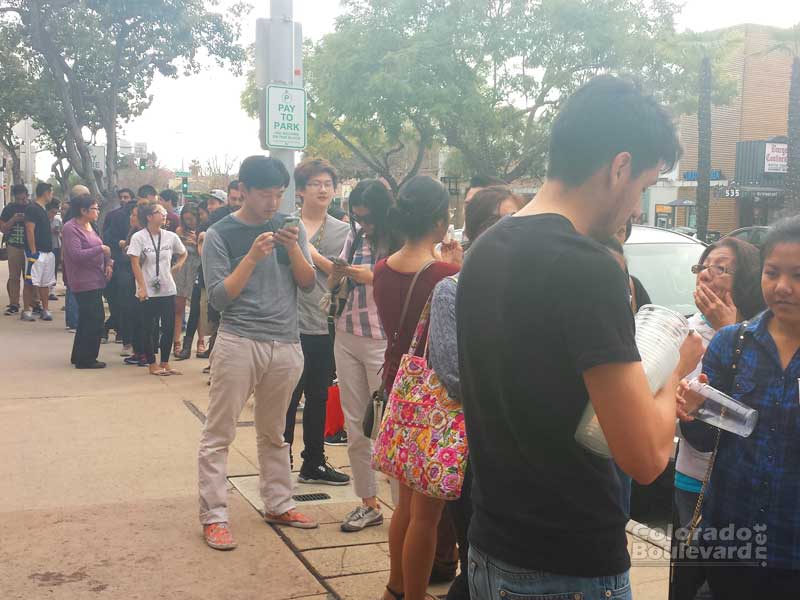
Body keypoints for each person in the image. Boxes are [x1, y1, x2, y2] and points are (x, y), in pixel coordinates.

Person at [457, 76, 703, 599]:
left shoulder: (485, 249)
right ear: (618, 167)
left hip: (490, 546)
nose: (637, 206)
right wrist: (676, 370)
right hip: (566, 565)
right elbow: (643, 457)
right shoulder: (587, 268)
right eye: (643, 185)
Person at [198, 156, 318, 551]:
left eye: (279, 194)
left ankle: (279, 503)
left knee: (275, 432)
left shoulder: (289, 226)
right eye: (265, 194)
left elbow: (308, 283)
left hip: (285, 342)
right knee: (219, 433)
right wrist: (251, 258)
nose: (273, 202)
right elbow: (218, 298)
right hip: (238, 341)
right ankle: (214, 516)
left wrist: (295, 249)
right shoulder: (220, 234)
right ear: (243, 190)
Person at [678, 218, 800, 598]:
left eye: (797, 274)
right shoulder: (733, 344)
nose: (783, 287)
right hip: (732, 542)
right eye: (772, 272)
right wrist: (693, 411)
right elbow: (705, 441)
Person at [422, 186, 524, 600]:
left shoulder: (532, 287)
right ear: (480, 230)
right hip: (470, 445)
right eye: (502, 221)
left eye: (519, 219)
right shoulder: (452, 289)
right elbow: (451, 372)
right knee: (475, 556)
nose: (513, 230)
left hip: (519, 447)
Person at [372, 176, 462, 600]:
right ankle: (413, 595)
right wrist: (459, 267)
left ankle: (395, 587)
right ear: (441, 222)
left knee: (406, 506)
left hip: (399, 388)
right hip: (434, 400)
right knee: (426, 516)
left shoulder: (381, 269)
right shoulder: (447, 275)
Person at [669, 237, 764, 600]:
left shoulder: (762, 334)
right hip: (691, 478)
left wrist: (730, 331)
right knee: (687, 579)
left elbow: (750, 412)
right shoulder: (681, 329)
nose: (706, 275)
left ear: (747, 279)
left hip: (743, 484)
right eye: (703, 267)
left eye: (720, 267)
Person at [328, 179, 399, 533]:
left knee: (391, 427)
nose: (362, 224)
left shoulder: (398, 239)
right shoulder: (354, 236)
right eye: (357, 218)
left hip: (382, 339)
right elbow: (337, 275)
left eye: (368, 218)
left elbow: (404, 279)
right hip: (346, 332)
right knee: (355, 425)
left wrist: (370, 275)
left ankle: (403, 509)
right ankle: (368, 502)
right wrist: (337, 273)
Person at [284, 158, 351, 485]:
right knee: (286, 395)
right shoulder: (287, 225)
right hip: (287, 321)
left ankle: (314, 461)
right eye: (315, 184)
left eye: (327, 184)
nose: (323, 189)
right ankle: (280, 459)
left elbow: (342, 274)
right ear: (301, 190)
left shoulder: (343, 230)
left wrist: (307, 250)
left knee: (318, 395)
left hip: (322, 322)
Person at [128, 202, 187, 376]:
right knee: (149, 327)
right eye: (159, 212)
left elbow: (183, 252)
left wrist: (177, 265)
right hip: (148, 290)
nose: (164, 215)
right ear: (149, 217)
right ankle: (152, 364)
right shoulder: (139, 237)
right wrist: (142, 287)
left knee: (168, 326)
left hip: (167, 288)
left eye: (164, 212)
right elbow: (135, 263)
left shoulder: (170, 237)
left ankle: (165, 362)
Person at [62, 195, 113, 369]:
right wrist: (100, 249)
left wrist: (108, 263)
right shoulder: (71, 228)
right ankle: (87, 358)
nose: (97, 211)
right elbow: (76, 255)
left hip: (96, 278)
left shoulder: (92, 226)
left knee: (87, 319)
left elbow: (103, 248)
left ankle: (79, 355)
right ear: (83, 211)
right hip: (83, 280)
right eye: (94, 208)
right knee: (94, 319)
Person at [102, 187, 137, 343]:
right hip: (118, 262)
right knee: (118, 300)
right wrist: (119, 243)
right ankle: (117, 330)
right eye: (121, 197)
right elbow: (106, 237)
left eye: (126, 196)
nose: (124, 200)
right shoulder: (113, 216)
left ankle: (118, 330)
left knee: (128, 302)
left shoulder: (145, 223)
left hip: (135, 265)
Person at [22, 182, 57, 322]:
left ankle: (45, 309)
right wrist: (33, 250)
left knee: (45, 283)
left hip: (47, 252)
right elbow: (29, 229)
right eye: (51, 192)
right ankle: (26, 310)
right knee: (30, 281)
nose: (52, 195)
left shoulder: (43, 209)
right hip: (36, 253)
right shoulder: (32, 208)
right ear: (46, 192)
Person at [172, 203, 202, 356]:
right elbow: (176, 251)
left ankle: (200, 341)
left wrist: (197, 242)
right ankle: (176, 342)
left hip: (197, 270)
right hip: (182, 271)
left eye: (192, 219)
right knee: (178, 308)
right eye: (186, 219)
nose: (190, 222)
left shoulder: (202, 231)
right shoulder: (179, 231)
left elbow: (204, 253)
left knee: (197, 309)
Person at [1, 184, 30, 316]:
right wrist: (14, 219)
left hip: (30, 246)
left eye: (22, 198)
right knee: (14, 277)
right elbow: (3, 228)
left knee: (30, 277)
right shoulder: (9, 209)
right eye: (18, 199)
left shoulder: (32, 208)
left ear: (27, 195)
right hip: (13, 245)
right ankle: (14, 303)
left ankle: (33, 303)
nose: (20, 202)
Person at [47, 199, 63, 298]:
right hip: (46, 246)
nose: (54, 214)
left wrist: (58, 232)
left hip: (56, 246)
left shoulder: (57, 221)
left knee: (54, 268)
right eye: (53, 212)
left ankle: (52, 290)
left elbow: (62, 233)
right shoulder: (43, 220)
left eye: (56, 212)